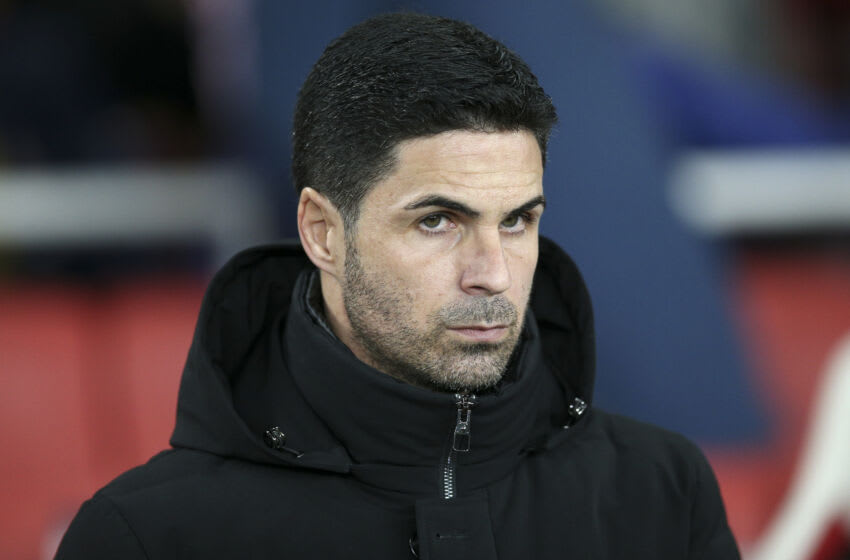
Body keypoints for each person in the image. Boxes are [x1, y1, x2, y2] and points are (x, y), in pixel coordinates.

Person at [56, 13, 740, 559]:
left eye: (517, 221)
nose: (493, 274)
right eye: (437, 222)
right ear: (323, 233)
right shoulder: (147, 537)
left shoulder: (662, 492)